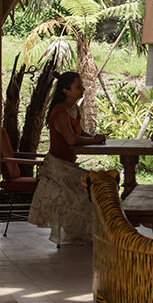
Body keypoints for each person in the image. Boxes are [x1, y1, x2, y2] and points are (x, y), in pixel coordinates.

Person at [27, 71, 106, 246]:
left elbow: (79, 134)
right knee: (90, 189)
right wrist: (93, 140)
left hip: (67, 164)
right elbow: (71, 139)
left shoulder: (74, 109)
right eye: (78, 87)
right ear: (65, 91)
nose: (82, 89)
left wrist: (93, 138)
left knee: (94, 186)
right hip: (58, 167)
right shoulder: (61, 112)